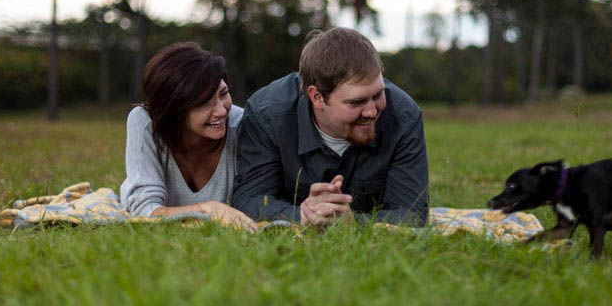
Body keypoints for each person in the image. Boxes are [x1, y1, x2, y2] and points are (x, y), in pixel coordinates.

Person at [232, 27, 429, 227]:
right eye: (356, 102)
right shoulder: (267, 115)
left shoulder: (404, 117)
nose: (371, 111)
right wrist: (305, 215)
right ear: (317, 97)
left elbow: (412, 214)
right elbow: (249, 201)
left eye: (378, 94)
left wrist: (354, 223)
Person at [120, 42, 258, 232]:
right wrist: (207, 209)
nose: (221, 110)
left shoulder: (243, 125)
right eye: (203, 104)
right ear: (174, 110)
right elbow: (144, 211)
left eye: (223, 93)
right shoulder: (145, 123)